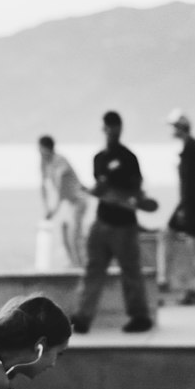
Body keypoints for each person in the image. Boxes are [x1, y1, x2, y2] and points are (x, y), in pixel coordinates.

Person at [69, 112, 156, 335]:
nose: (110, 131)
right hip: (101, 222)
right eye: (107, 127)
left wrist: (127, 198)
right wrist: (97, 191)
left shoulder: (129, 158)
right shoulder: (99, 158)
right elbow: (99, 185)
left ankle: (140, 316)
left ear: (120, 128)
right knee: (92, 270)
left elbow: (137, 190)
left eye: (114, 127)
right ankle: (82, 317)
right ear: (104, 129)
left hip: (124, 225)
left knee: (131, 271)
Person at [159, 111, 195, 305]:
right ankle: (166, 280)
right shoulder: (192, 147)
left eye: (173, 127)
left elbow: (191, 181)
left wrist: (185, 208)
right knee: (169, 235)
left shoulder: (190, 148)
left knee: (194, 244)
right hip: (191, 202)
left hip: (191, 203)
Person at [38, 136, 90, 267]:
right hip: (69, 203)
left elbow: (61, 186)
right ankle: (74, 264)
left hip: (78, 200)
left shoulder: (60, 160)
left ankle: (82, 267)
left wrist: (54, 209)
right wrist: (46, 207)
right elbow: (43, 185)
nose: (39, 152)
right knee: (64, 232)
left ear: (47, 149)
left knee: (74, 235)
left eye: (41, 149)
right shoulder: (44, 162)